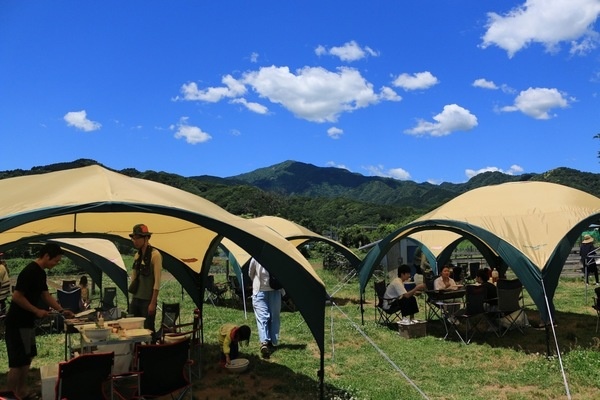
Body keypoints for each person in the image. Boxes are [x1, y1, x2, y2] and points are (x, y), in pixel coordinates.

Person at [4, 243, 75, 400]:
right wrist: (36, 311)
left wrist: (61, 310)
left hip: (27, 323)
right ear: (47, 256)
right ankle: (10, 395)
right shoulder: (29, 271)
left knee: (27, 358)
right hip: (17, 323)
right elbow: (17, 297)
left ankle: (21, 392)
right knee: (17, 362)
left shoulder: (41, 273)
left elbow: (45, 295)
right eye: (56, 260)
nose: (56, 264)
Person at [128, 224, 163, 333]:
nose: (135, 241)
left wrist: (152, 303)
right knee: (132, 329)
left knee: (148, 330)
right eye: (134, 238)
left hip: (147, 300)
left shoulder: (155, 255)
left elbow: (157, 282)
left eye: (138, 238)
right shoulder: (137, 256)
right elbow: (134, 278)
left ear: (146, 238)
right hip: (136, 298)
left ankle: (152, 344)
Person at [248, 257, 282, 359]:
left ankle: (272, 341)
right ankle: (264, 343)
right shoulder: (255, 258)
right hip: (259, 292)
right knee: (263, 317)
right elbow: (251, 273)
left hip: (275, 291)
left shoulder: (277, 257)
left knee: (274, 317)